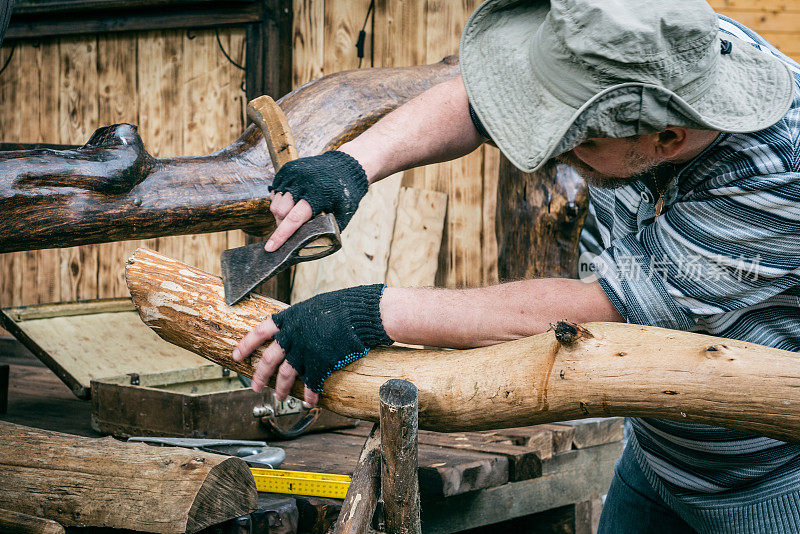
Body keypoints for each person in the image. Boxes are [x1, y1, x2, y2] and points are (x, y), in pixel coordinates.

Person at [232, 0, 800, 531]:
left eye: (576, 141)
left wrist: (372, 312)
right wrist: (351, 164)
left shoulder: (777, 177)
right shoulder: (653, 40)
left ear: (667, 137)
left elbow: (605, 310)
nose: (553, 154)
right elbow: (481, 102)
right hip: (657, 455)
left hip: (767, 483)